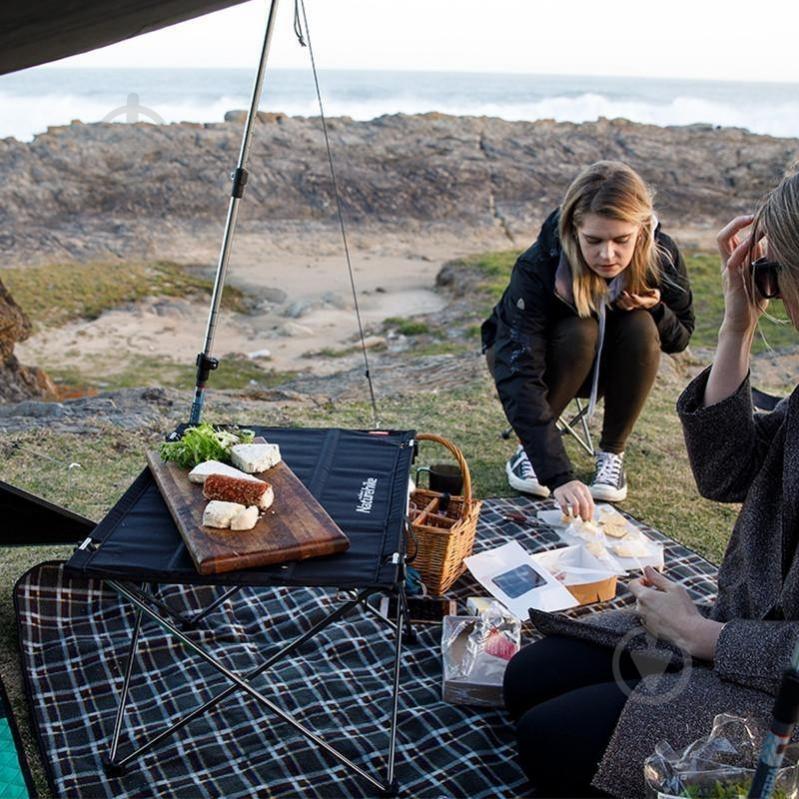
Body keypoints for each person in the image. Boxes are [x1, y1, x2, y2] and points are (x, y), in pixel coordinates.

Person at [502, 170, 799, 799]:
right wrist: (737, 328)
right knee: (525, 680)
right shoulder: (543, 265)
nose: (765, 285)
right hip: (740, 629)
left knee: (547, 739)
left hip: (777, 692)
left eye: (770, 273)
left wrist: (701, 635)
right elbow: (727, 474)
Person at [482, 161, 694, 515]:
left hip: (615, 368)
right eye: (593, 240)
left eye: (621, 240)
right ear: (573, 229)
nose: (607, 255)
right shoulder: (539, 265)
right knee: (580, 329)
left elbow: (680, 337)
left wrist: (657, 308)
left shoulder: (662, 256)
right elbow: (516, 368)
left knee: (642, 325)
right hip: (545, 360)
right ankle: (529, 454)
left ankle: (612, 454)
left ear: (641, 230)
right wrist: (558, 474)